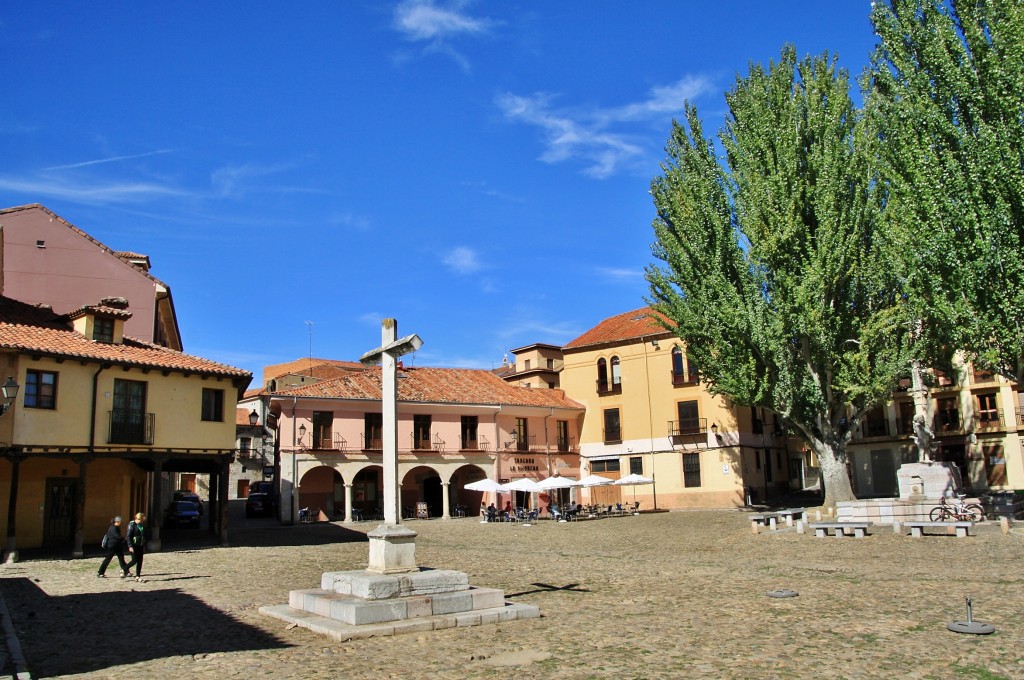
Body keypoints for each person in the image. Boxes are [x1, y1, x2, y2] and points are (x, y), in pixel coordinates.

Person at [125, 512, 146, 582]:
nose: (142, 521)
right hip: (134, 545)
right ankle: (124, 569)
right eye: (142, 519)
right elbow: (128, 536)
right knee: (135, 560)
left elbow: (143, 535)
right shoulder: (132, 525)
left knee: (140, 561)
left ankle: (138, 576)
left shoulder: (141, 525)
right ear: (138, 518)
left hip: (140, 545)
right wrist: (130, 546)